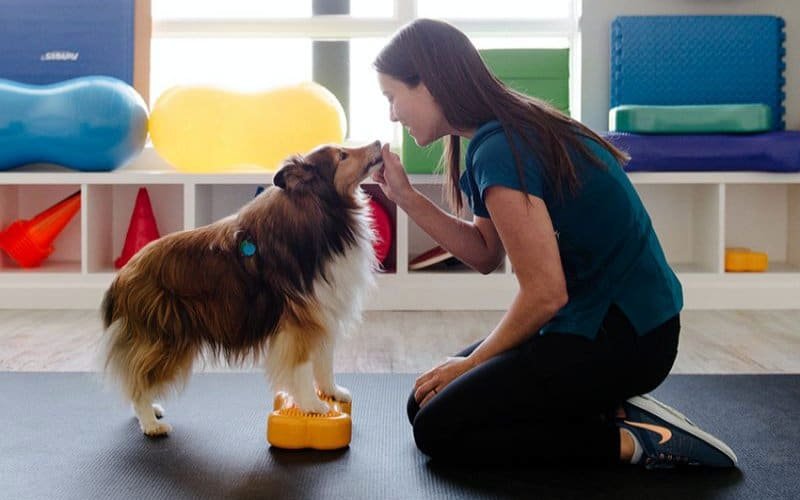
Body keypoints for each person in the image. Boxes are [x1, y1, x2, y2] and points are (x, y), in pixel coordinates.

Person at [371, 18, 737, 469]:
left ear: (427, 83)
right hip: (588, 322)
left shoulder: (500, 146)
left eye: (393, 97)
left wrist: (469, 365)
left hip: (627, 338)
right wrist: (404, 198)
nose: (392, 114)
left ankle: (639, 441)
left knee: (437, 429)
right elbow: (487, 254)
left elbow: (545, 292)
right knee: (424, 403)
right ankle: (599, 408)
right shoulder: (494, 134)